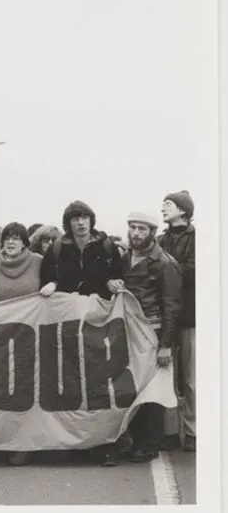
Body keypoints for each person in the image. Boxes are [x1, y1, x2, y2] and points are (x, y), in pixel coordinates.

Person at [40, 201, 124, 466]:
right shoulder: (56, 250)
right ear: (69, 223)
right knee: (72, 383)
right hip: (67, 329)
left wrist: (112, 282)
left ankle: (105, 444)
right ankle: (75, 441)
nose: (81, 222)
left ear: (92, 220)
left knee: (100, 386)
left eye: (85, 217)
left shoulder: (107, 247)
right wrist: (51, 284)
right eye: (75, 218)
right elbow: (45, 281)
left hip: (98, 328)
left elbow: (119, 278)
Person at [110, 212, 182, 463]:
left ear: (153, 231)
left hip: (153, 332)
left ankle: (150, 444)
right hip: (129, 332)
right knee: (135, 387)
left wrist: (166, 345)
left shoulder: (165, 263)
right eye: (132, 227)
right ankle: (136, 441)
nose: (136, 233)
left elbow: (172, 306)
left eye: (142, 228)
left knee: (153, 391)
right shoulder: (124, 258)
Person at [0, 223, 44, 466]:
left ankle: (27, 444)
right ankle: (6, 440)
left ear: (25, 242)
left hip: (33, 337)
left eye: (16, 238)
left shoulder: (38, 263)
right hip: (2, 339)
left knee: (28, 393)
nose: (11, 242)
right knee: (4, 393)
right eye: (7, 238)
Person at [158, 190, 196, 452]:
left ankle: (192, 431)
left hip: (190, 315)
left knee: (191, 378)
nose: (163, 208)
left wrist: (168, 269)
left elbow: (194, 272)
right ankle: (170, 431)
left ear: (183, 210)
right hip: (165, 316)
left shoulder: (198, 238)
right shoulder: (159, 239)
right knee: (167, 376)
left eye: (168, 204)